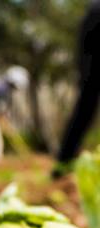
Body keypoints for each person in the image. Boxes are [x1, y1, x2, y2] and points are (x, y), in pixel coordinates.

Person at [54, 0, 100, 176]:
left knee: (82, 114)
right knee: (83, 114)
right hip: (92, 69)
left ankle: (62, 164)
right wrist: (84, 73)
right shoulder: (96, 9)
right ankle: (62, 166)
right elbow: (86, 42)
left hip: (88, 69)